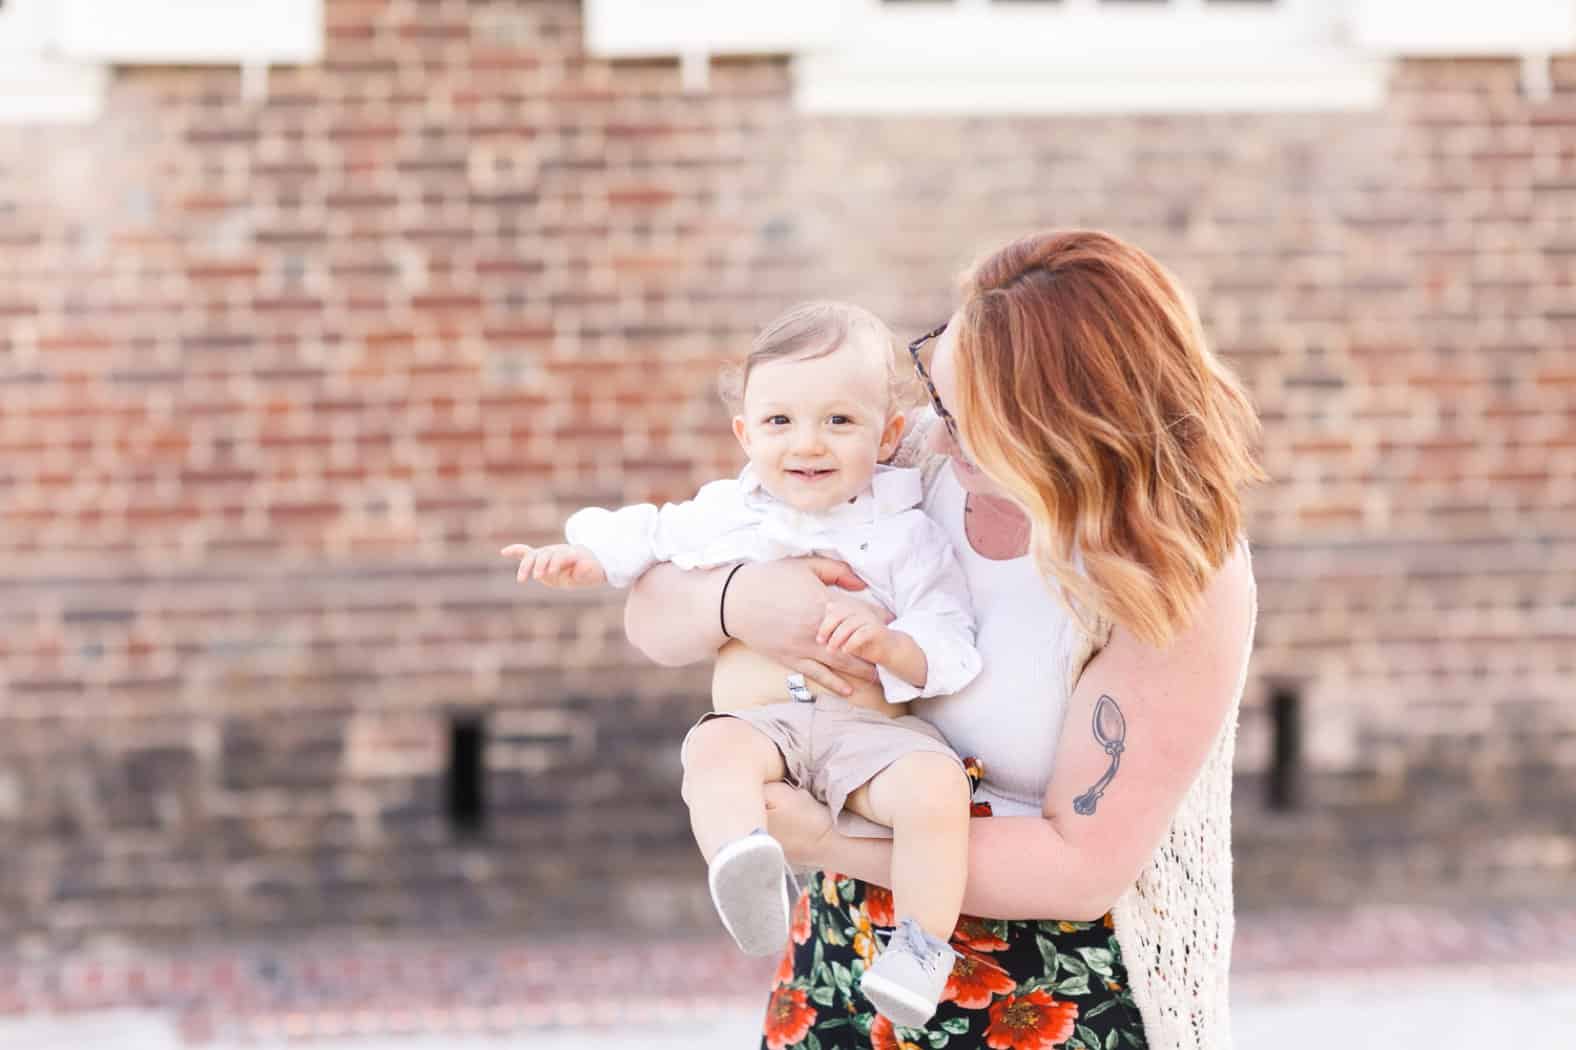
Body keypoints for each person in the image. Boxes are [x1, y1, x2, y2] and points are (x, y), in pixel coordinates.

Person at [624, 230, 1264, 1050]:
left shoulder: (1175, 573)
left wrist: (825, 840)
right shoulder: (911, 470)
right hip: (846, 966)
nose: (935, 429)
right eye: (940, 387)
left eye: (972, 423)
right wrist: (739, 599)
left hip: (1063, 995)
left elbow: (1081, 867)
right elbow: (650, 611)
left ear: (1067, 433)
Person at [503, 301, 987, 1027]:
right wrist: (586, 558)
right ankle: (744, 863)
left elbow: (949, 634)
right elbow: (653, 535)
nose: (807, 444)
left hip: (870, 737)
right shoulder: (731, 511)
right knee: (712, 746)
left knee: (938, 789)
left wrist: (890, 643)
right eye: (780, 422)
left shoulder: (907, 534)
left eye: (839, 422)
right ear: (745, 433)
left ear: (887, 435)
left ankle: (918, 953)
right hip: (766, 727)